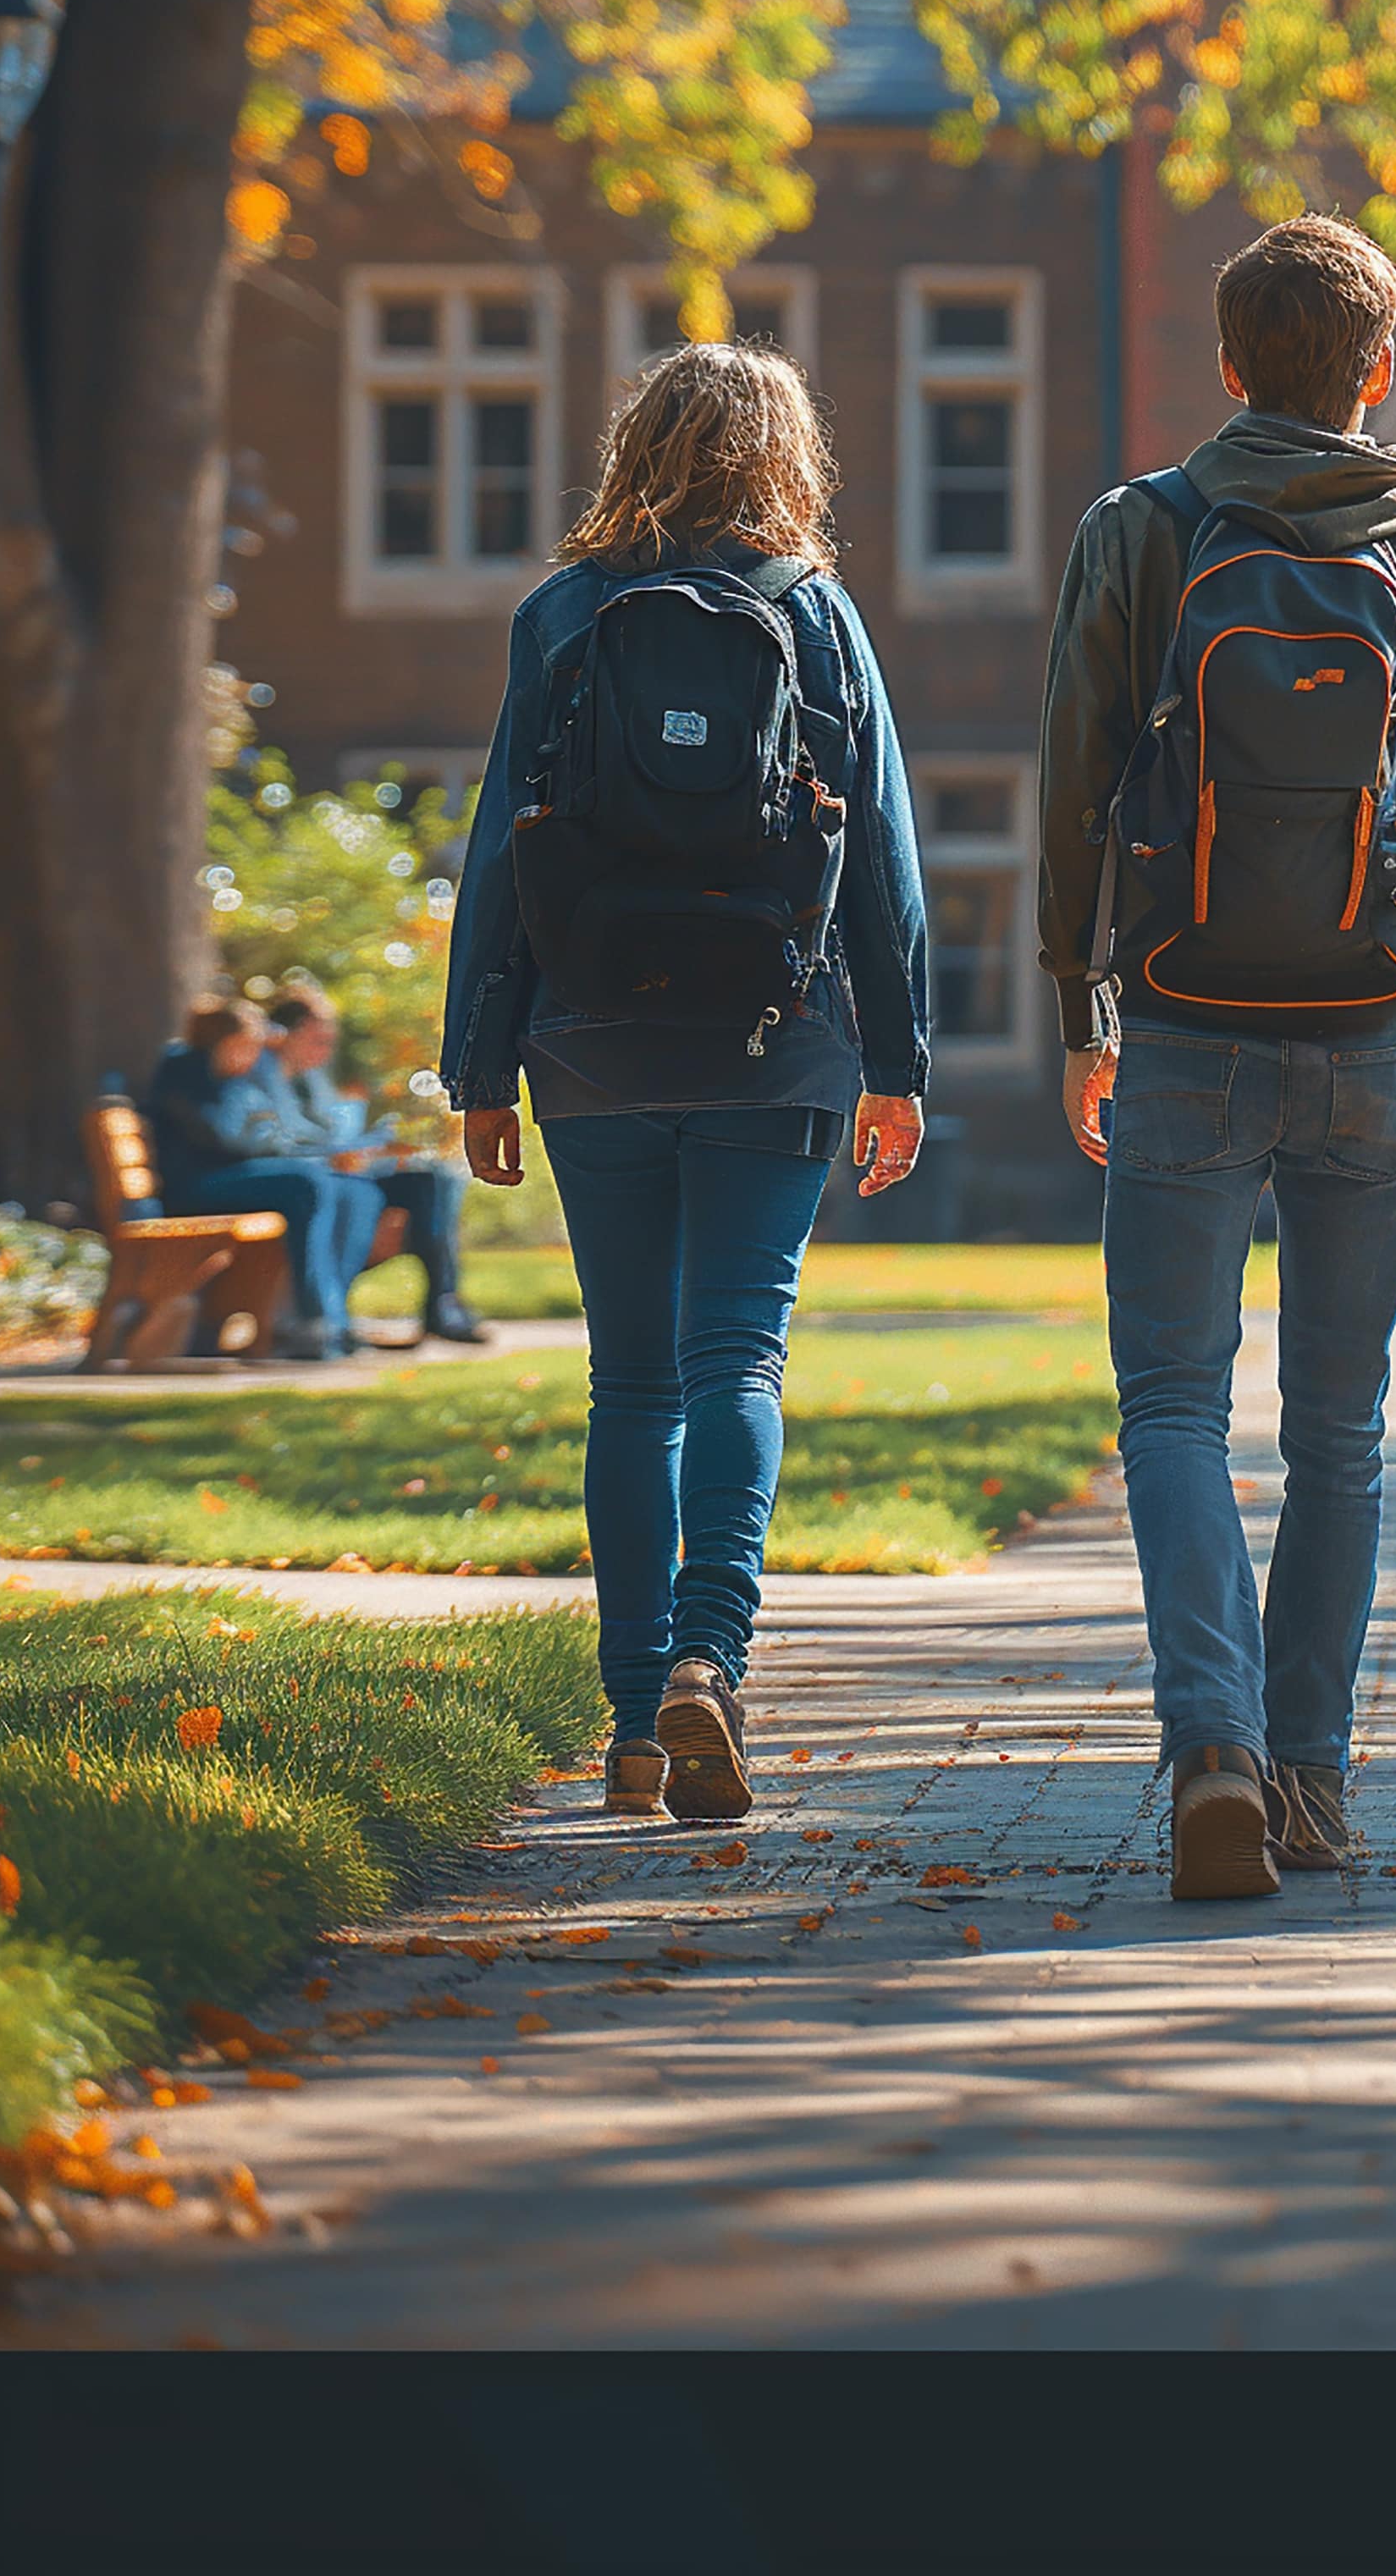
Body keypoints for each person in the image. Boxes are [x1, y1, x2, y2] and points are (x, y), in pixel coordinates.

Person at [1039, 212, 1396, 1900]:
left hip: (1183, 1015)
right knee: (1342, 1425)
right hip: (1374, 1028)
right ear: (1379, 368)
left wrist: (1074, 1005)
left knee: (1174, 1401)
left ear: (1232, 362)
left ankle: (1213, 1746)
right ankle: (1313, 1774)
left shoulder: (1144, 532)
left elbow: (1072, 784)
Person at [439, 334, 932, 1828]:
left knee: (630, 1381)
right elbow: (884, 863)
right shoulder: (820, 617)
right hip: (776, 1046)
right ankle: (711, 1660)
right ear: (791, 459)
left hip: (591, 1043)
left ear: (634, 447)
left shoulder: (562, 615)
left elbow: (497, 854)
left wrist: (480, 1063)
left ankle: (631, 1721)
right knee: (737, 1360)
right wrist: (898, 1066)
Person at [243, 980, 484, 1347]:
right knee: (361, 1194)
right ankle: (330, 1319)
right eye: (316, 1041)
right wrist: (339, 1152)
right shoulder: (262, 1073)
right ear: (284, 1036)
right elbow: (278, 1142)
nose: (324, 1052)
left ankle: (442, 1302)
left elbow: (333, 1129)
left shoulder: (310, 1079)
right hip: (312, 1171)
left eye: (328, 1042)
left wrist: (374, 1145)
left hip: (338, 1165)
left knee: (434, 1178)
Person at [141, 998, 384, 1362]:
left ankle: (329, 1319)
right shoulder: (187, 1074)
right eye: (245, 1046)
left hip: (225, 1177)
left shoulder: (231, 1079)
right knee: (307, 1182)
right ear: (221, 1042)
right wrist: (277, 1145)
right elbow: (225, 1137)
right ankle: (314, 1316)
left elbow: (265, 1135)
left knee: (348, 1189)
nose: (252, 1057)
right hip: (193, 1186)